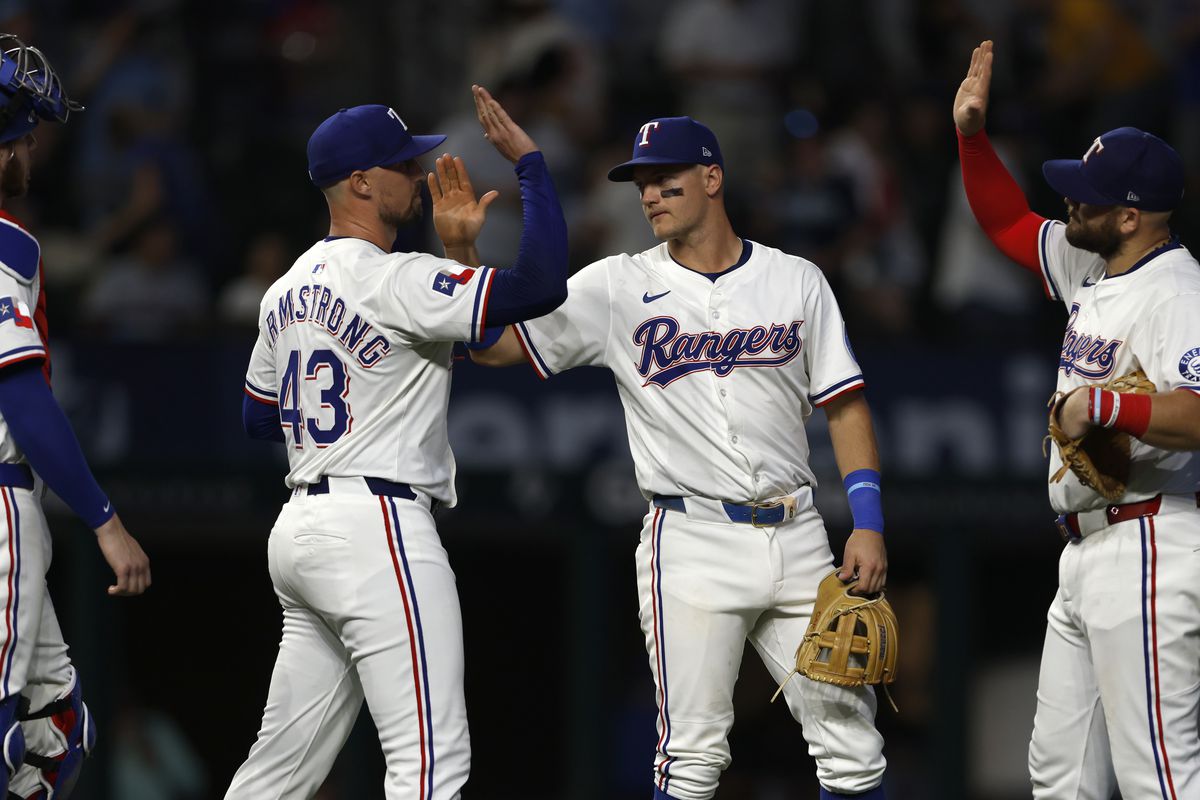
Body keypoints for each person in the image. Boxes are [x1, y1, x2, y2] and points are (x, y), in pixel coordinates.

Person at [469, 116, 889, 799]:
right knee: (691, 759)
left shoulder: (796, 280)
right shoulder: (617, 286)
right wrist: (462, 252)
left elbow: (844, 405)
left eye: (666, 180)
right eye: (641, 184)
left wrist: (867, 523)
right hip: (692, 540)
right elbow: (494, 347)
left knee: (854, 750)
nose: (649, 195)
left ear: (712, 177)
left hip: (800, 535)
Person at [230, 86, 568, 799]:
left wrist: (456, 257)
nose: (418, 175)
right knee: (430, 765)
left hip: (300, 531)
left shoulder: (283, 289)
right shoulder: (395, 278)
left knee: (277, 774)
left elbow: (258, 417)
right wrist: (532, 164)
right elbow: (540, 285)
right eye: (402, 165)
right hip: (377, 525)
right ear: (360, 182)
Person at [955, 40, 1200, 798]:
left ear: (1130, 216)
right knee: (1060, 777)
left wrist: (1105, 404)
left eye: (1089, 196)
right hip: (1086, 548)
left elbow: (1197, 414)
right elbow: (1006, 221)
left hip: (1152, 540)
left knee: (1159, 775)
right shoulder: (1095, 264)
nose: (1072, 202)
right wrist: (971, 137)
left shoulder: (1177, 293)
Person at [0, 33, 152, 799]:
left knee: (54, 733)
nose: (32, 148)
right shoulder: (7, 246)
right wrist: (104, 519)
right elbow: (21, 396)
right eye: (25, 134)